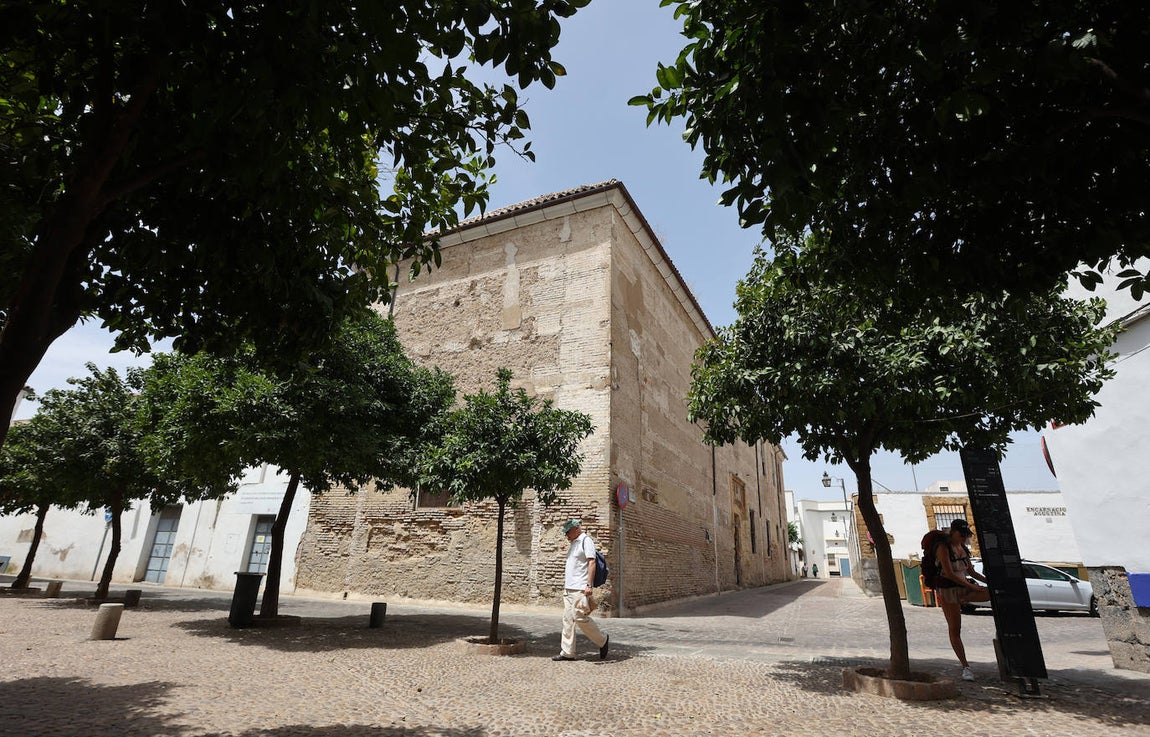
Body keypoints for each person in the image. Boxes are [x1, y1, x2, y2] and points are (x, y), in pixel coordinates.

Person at [934, 518, 991, 681]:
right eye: (962, 534)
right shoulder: (943, 548)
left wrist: (989, 582)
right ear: (953, 532)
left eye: (966, 535)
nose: (964, 538)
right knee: (955, 628)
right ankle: (966, 666)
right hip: (948, 590)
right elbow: (950, 573)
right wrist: (972, 587)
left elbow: (971, 572)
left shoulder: (963, 549)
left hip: (964, 588)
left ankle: (964, 599)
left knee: (991, 594)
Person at [553, 518, 609, 662]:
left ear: (576, 529)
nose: (566, 535)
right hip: (569, 588)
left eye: (568, 532)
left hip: (580, 588)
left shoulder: (586, 540)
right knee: (567, 619)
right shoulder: (573, 544)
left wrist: (588, 585)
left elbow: (592, 562)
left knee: (579, 617)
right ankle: (567, 652)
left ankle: (602, 640)